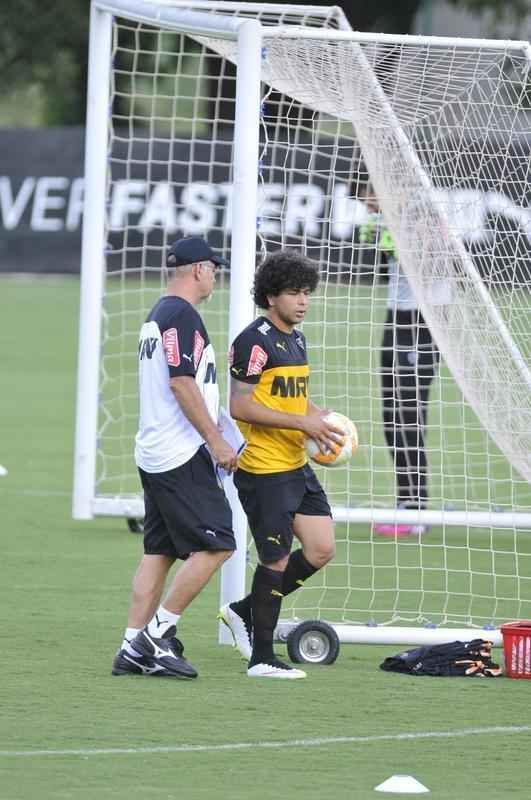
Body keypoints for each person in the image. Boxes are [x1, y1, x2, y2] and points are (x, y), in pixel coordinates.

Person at [112, 236, 239, 679]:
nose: (216, 275)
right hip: (179, 453)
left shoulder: (159, 314)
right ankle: (157, 636)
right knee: (218, 542)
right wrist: (217, 442)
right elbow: (182, 384)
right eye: (214, 268)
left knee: (159, 551)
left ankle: (131, 643)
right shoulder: (182, 315)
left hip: (154, 450)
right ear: (199, 270)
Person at [219, 250, 344, 679]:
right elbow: (240, 405)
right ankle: (262, 658)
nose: (303, 301)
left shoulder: (297, 337)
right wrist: (300, 420)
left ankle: (243, 612)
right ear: (272, 296)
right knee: (275, 559)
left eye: (307, 292)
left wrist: (319, 420)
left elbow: (291, 394)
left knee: (321, 548)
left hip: (295, 463)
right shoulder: (254, 341)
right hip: (264, 468)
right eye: (294, 293)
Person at [360, 185, 440, 537]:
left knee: (410, 414)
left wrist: (400, 239)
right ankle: (405, 500)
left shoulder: (423, 212)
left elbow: (435, 256)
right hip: (395, 321)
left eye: (365, 191)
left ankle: (416, 508)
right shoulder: (383, 220)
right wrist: (381, 228)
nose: (363, 199)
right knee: (392, 417)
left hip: (423, 323)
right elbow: (372, 247)